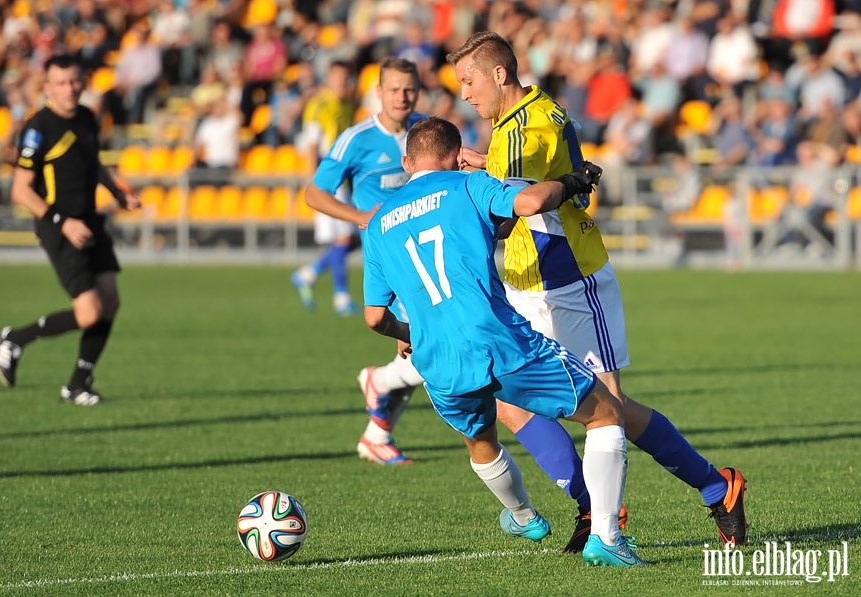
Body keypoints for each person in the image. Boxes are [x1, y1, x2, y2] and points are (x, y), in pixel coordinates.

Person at [445, 31, 747, 549]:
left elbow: (516, 203)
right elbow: (536, 175)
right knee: (510, 402)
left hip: (570, 278)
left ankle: (715, 489)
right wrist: (487, 166)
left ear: (499, 74)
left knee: (609, 409)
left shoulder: (523, 130)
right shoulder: (526, 116)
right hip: (524, 280)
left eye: (470, 81)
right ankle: (592, 508)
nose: (465, 94)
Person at [362, 116, 643, 567]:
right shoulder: (466, 187)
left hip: (438, 359)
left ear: (406, 162)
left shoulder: (377, 226)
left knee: (481, 439)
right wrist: (571, 180)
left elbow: (375, 317)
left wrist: (409, 334)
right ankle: (608, 539)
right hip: (500, 341)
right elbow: (529, 201)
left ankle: (523, 515)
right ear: (456, 158)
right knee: (607, 411)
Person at [0, 54, 141, 405]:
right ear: (47, 87)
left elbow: (95, 163)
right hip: (59, 227)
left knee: (111, 302)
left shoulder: (88, 117)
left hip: (90, 221)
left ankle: (78, 384)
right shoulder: (38, 128)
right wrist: (63, 221)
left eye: (74, 81)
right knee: (89, 311)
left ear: (83, 82)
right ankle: (15, 338)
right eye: (61, 83)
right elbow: (21, 190)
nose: (70, 89)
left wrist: (118, 193)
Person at [304, 57, 428, 464]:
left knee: (413, 349)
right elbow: (314, 193)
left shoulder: (427, 132)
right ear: (378, 91)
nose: (401, 97)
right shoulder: (356, 139)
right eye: (393, 89)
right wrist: (360, 217)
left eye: (408, 89)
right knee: (431, 347)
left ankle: (377, 433)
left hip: (428, 251)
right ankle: (378, 382)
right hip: (389, 262)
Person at [291, 61, 360, 315]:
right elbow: (311, 145)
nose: (343, 83)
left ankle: (309, 273)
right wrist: (315, 185)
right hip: (328, 181)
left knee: (349, 239)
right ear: (330, 79)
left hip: (343, 180)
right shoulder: (319, 105)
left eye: (346, 78)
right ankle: (340, 296)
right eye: (339, 78)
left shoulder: (347, 104)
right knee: (344, 238)